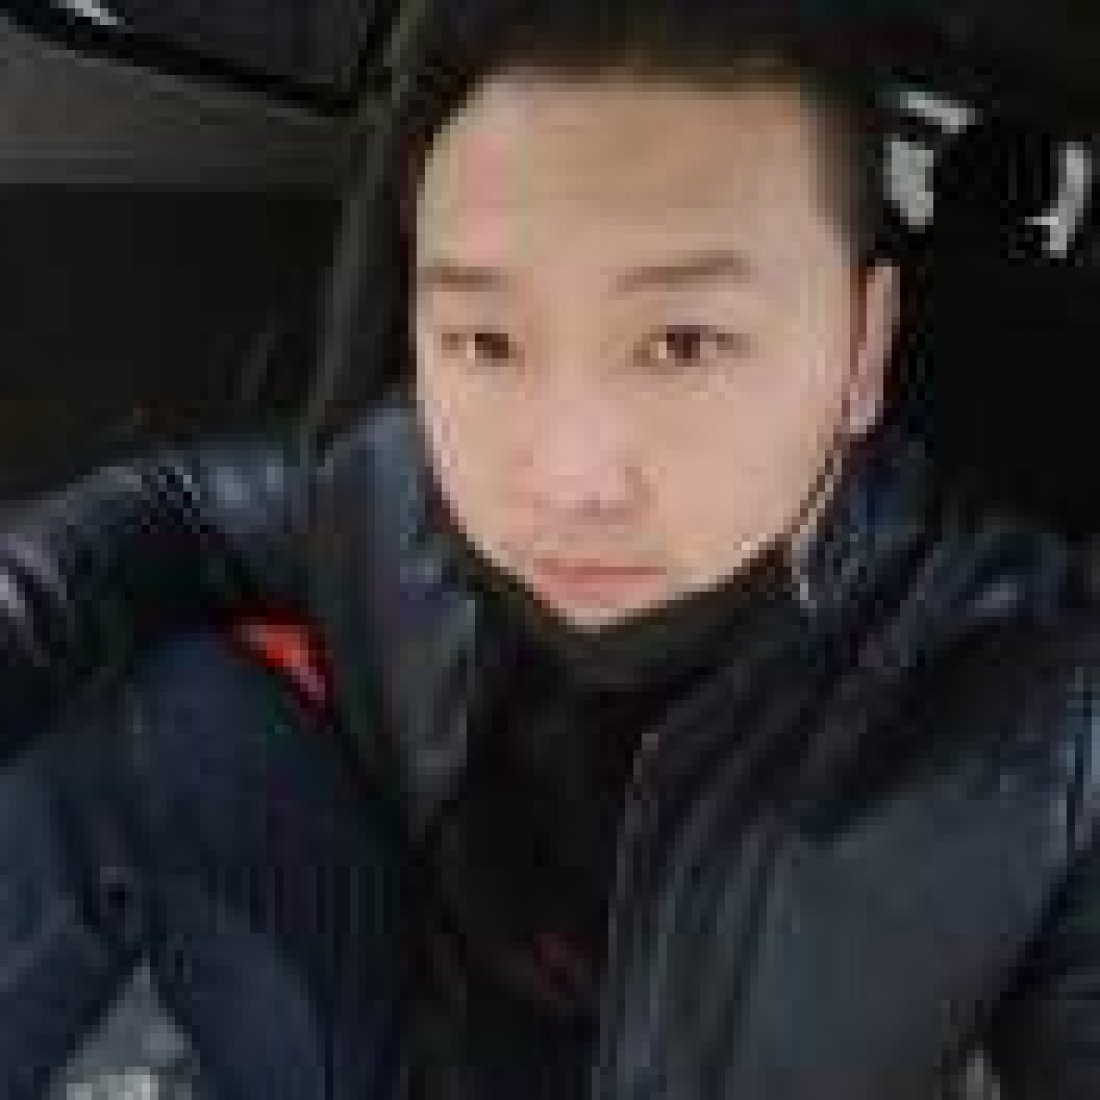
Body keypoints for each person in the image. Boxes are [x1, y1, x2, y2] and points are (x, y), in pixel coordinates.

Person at [2, 1, 1100, 1096]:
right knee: (166, 710)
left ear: (862, 350)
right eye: (487, 340)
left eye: (682, 343)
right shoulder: (398, 478)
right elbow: (172, 512)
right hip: (397, 1044)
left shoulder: (1042, 716)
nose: (567, 483)